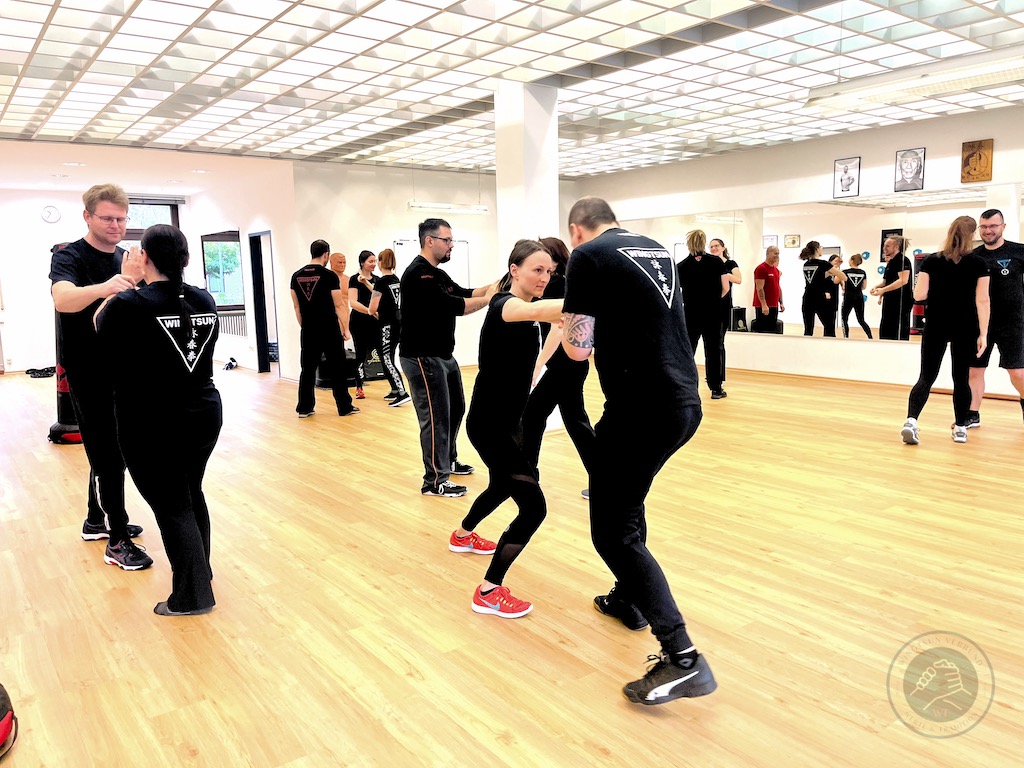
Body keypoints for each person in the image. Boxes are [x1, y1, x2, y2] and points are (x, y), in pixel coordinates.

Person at [561, 196, 717, 705]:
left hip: (639, 409)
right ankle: (628, 599)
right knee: (627, 503)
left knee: (612, 531)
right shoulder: (653, 249)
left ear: (576, 230)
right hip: (682, 401)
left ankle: (682, 657)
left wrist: (562, 320)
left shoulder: (587, 256)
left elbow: (578, 346)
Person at [94, 224, 223, 615]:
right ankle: (200, 571)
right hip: (204, 413)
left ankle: (192, 595)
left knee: (172, 504)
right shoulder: (203, 298)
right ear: (186, 259)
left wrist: (128, 279)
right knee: (190, 492)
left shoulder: (130, 303)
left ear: (144, 257)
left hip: (153, 421)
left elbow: (98, 322)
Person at [450, 240, 564, 618]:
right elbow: (539, 310)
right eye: (537, 270)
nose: (544, 277)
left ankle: (463, 534)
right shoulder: (506, 305)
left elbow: (550, 322)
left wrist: (536, 369)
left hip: (506, 421)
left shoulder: (524, 310)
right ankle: (488, 590)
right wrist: (595, 301)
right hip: (490, 426)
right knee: (534, 508)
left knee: (502, 486)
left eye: (549, 271)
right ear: (514, 270)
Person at [49, 183, 149, 570]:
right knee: (107, 451)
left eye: (122, 219)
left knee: (109, 446)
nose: (116, 225)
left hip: (121, 367)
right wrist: (111, 285)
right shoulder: (69, 255)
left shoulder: (127, 259)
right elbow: (63, 299)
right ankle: (117, 540)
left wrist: (135, 281)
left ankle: (96, 520)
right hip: (87, 369)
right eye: (107, 218)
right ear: (87, 216)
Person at [399, 218, 496, 497]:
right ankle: (435, 481)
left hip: (443, 355)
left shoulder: (437, 274)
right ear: (430, 241)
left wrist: (497, 286)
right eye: (447, 240)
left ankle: (448, 461)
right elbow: (457, 305)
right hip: (423, 357)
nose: (451, 245)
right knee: (436, 418)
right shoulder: (419, 275)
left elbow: (464, 292)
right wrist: (489, 299)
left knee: (455, 410)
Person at [901, 216, 989, 446]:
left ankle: (911, 421)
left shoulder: (931, 261)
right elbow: (983, 301)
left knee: (926, 377)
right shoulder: (978, 264)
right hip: (965, 327)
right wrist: (983, 334)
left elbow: (919, 295)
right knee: (961, 379)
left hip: (936, 325)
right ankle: (960, 428)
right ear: (972, 235)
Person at [520, 236, 595, 502]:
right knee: (576, 422)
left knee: (533, 416)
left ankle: (527, 477)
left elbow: (557, 329)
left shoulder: (557, 285)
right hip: (570, 365)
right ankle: (605, 480)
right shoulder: (564, 283)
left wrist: (537, 365)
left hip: (565, 365)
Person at [967, 209, 1024, 428]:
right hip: (981, 323)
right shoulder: (973, 256)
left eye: (993, 226)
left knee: (1018, 372)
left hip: (1013, 323)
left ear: (1003, 227)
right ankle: (972, 414)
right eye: (984, 226)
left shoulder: (1019, 251)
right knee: (974, 370)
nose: (988, 230)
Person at [289, 239, 358, 418]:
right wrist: (346, 328)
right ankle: (344, 407)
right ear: (326, 255)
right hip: (329, 329)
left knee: (307, 369)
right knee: (338, 368)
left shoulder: (296, 276)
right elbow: (339, 305)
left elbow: (296, 307)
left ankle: (304, 408)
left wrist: (305, 326)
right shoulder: (329, 276)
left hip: (308, 330)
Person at [677, 229, 729, 399]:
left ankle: (685, 387)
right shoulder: (716, 262)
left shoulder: (681, 266)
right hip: (713, 313)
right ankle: (716, 389)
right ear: (704, 243)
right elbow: (725, 288)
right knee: (713, 350)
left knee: (688, 351)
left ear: (688, 243)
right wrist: (713, 300)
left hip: (691, 314)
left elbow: (677, 293)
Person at [367, 248, 411, 407]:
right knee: (389, 356)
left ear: (380, 262)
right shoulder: (395, 279)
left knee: (386, 358)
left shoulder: (381, 282)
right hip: (398, 323)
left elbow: (372, 308)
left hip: (387, 326)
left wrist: (372, 311)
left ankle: (402, 392)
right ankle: (394, 389)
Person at [348, 250, 381, 400]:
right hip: (359, 322)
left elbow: (380, 297)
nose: (374, 264)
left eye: (375, 261)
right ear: (362, 263)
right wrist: (369, 311)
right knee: (360, 355)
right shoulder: (354, 279)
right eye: (370, 261)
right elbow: (353, 302)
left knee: (382, 353)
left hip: (375, 322)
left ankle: (394, 388)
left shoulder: (377, 280)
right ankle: (359, 387)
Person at [710, 237, 741, 386]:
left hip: (724, 306)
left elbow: (738, 279)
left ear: (723, 247)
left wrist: (724, 273)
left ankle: (719, 376)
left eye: (716, 246)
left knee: (719, 341)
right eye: (711, 247)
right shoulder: (709, 264)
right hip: (711, 306)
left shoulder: (730, 264)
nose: (714, 249)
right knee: (713, 343)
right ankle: (714, 375)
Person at [870, 237, 913, 340]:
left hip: (901, 301)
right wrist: (876, 287)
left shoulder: (903, 260)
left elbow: (903, 280)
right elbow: (885, 282)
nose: (884, 248)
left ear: (896, 247)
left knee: (898, 329)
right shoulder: (891, 262)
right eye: (884, 246)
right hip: (890, 300)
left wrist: (883, 290)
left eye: (887, 246)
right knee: (886, 328)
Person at [799, 241, 843, 337]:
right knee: (829, 328)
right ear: (817, 249)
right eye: (820, 247)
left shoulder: (806, 264)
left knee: (808, 330)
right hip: (820, 298)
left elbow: (818, 277)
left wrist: (830, 272)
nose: (821, 249)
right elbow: (843, 276)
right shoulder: (823, 264)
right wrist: (838, 271)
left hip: (807, 298)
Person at [751, 245, 784, 333]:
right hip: (764, 306)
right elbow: (759, 288)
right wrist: (764, 305)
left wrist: (781, 302)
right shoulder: (761, 268)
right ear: (768, 253)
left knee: (772, 331)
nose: (777, 256)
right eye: (775, 253)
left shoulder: (776, 270)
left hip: (774, 305)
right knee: (763, 331)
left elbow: (778, 287)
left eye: (778, 254)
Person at [841, 253, 872, 338]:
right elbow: (864, 287)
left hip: (848, 297)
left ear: (852, 261)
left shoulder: (845, 272)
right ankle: (870, 337)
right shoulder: (863, 272)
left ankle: (846, 337)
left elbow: (838, 281)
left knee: (844, 319)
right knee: (861, 320)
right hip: (859, 297)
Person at [824, 254, 847, 336]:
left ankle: (831, 335)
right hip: (826, 296)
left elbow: (841, 282)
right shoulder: (826, 271)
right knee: (827, 319)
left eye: (838, 262)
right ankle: (829, 335)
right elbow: (822, 283)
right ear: (830, 262)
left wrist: (843, 288)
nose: (837, 263)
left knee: (833, 317)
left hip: (834, 296)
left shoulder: (837, 273)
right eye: (835, 261)